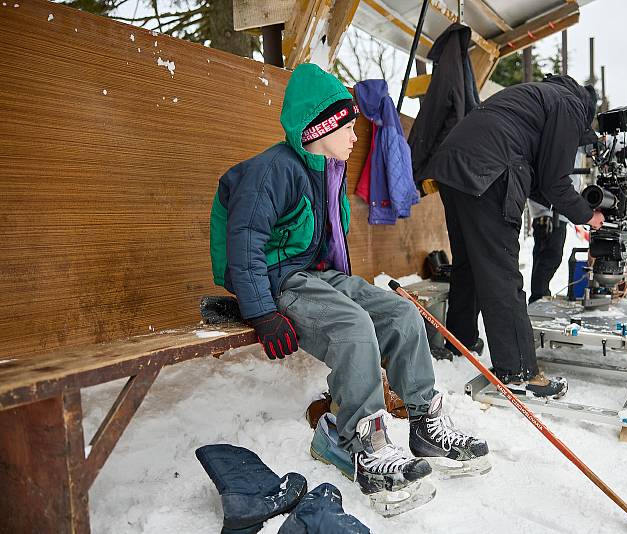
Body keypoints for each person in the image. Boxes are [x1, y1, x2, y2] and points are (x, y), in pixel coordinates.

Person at [209, 64, 489, 509]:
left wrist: (347, 289)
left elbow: (329, 247)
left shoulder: (328, 171)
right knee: (354, 326)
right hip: (279, 281)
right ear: (321, 128)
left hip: (317, 275)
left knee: (401, 312)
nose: (357, 137)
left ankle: (424, 423)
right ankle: (363, 443)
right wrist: (261, 312)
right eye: (349, 126)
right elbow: (244, 244)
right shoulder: (274, 171)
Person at [419, 75, 604, 399]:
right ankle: (518, 370)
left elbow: (539, 176)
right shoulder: (570, 107)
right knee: (501, 271)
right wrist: (588, 216)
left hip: (453, 166)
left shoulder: (538, 96)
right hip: (490, 172)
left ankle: (460, 340)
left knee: (470, 262)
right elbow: (554, 181)